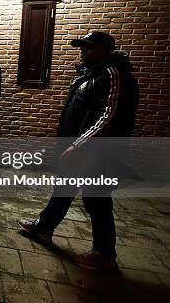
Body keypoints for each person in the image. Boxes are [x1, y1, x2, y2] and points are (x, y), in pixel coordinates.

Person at [18, 31, 139, 271]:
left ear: (106, 49)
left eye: (90, 47)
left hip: (97, 153)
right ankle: (43, 229)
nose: (83, 51)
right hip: (78, 150)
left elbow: (108, 115)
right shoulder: (93, 73)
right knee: (64, 189)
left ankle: (104, 255)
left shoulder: (112, 74)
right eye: (82, 47)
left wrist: (78, 143)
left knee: (97, 201)